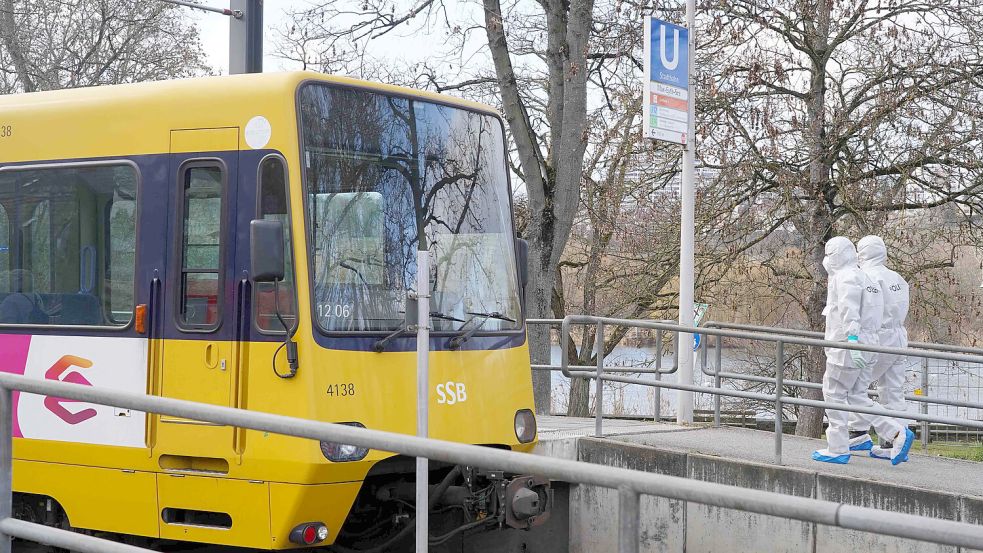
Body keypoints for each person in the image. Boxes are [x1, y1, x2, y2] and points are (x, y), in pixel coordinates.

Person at [812, 237, 914, 466]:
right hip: (881, 340)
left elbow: (849, 313)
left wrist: (852, 339)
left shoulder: (851, 277)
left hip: (853, 344)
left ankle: (840, 445)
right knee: (870, 394)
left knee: (836, 393)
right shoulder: (885, 278)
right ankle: (896, 433)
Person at [846, 235, 912, 460]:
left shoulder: (864, 277)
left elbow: (864, 311)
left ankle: (858, 433)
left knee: (855, 386)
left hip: (878, 337)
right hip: (899, 337)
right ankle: (895, 441)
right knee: (893, 390)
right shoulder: (897, 278)